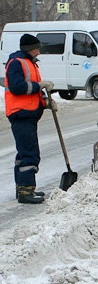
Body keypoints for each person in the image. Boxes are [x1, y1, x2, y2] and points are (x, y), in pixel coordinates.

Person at [5, 34, 57, 204]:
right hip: (21, 113)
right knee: (30, 153)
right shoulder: (17, 63)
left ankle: (23, 188)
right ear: (30, 48)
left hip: (28, 113)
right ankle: (26, 191)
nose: (39, 51)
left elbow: (32, 92)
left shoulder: (30, 63)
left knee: (23, 153)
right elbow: (17, 87)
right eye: (37, 48)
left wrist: (45, 102)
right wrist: (38, 86)